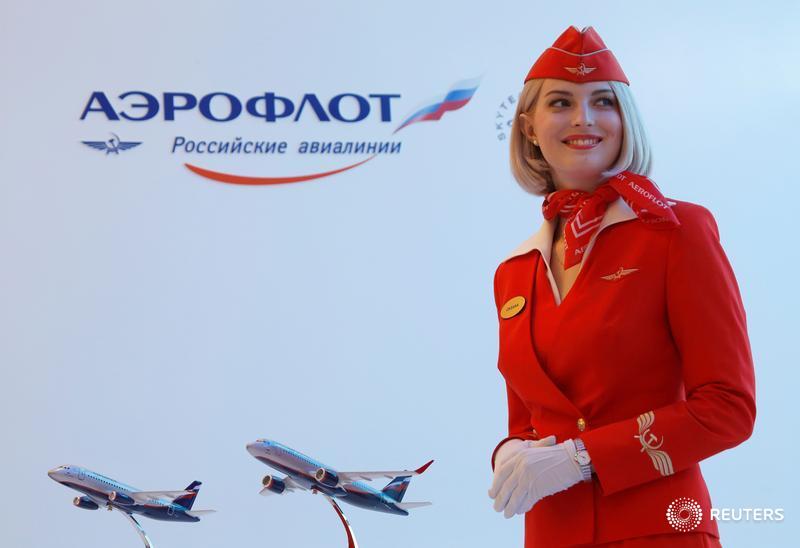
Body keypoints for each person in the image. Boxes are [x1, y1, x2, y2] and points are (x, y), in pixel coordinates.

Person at [486, 25, 756, 547]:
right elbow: (531, 422)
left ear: (624, 120)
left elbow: (729, 408)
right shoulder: (514, 271)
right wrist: (510, 454)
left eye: (603, 102)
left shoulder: (677, 232)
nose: (584, 118)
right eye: (561, 102)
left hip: (659, 530)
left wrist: (582, 458)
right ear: (530, 127)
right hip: (550, 534)